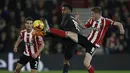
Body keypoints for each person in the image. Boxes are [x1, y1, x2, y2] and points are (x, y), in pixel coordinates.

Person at [45, 7, 125, 73]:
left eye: (93, 14)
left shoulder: (106, 21)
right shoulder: (91, 20)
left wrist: (121, 29)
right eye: (91, 14)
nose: (91, 15)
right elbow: (84, 26)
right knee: (69, 34)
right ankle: (49, 29)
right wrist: (78, 20)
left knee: (86, 64)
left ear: (98, 14)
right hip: (86, 40)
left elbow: (118, 24)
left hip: (93, 45)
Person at [57, 4, 79, 73]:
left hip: (69, 39)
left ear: (69, 10)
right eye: (62, 10)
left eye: (64, 9)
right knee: (66, 60)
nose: (62, 11)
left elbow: (61, 26)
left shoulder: (67, 16)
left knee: (51, 34)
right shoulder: (73, 18)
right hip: (74, 40)